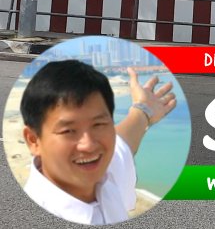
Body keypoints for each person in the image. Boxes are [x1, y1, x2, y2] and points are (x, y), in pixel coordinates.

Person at [20, 60, 177, 225]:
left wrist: (143, 109)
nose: (88, 145)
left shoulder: (103, 176)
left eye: (98, 124)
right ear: (33, 140)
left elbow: (122, 144)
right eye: (68, 131)